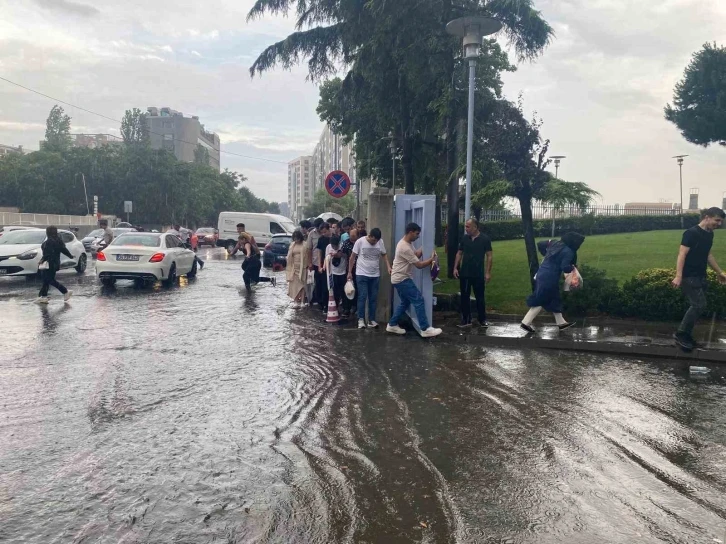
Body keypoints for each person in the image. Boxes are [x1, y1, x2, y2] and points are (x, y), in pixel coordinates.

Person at [672, 207, 726, 350]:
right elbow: (681, 254)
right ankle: (681, 335)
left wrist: (719, 272)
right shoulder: (691, 233)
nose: (719, 224)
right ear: (707, 217)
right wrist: (679, 276)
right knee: (699, 305)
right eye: (717, 220)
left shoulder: (709, 234)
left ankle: (687, 336)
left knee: (698, 306)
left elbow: (708, 255)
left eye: (721, 221)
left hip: (701, 275)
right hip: (689, 276)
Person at [520, 232, 585, 333]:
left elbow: (540, 244)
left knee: (554, 298)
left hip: (542, 273)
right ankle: (525, 322)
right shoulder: (569, 252)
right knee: (541, 299)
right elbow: (565, 267)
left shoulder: (554, 243)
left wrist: (546, 254)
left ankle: (561, 323)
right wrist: (573, 268)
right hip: (551, 276)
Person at [386, 223, 443, 338]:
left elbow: (416, 254)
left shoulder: (407, 243)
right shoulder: (404, 247)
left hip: (398, 278)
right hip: (402, 279)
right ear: (411, 232)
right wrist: (432, 259)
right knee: (418, 300)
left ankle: (392, 324)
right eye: (417, 234)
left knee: (405, 302)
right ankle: (425, 328)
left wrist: (426, 246)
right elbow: (419, 265)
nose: (418, 236)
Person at [348, 227, 391, 329]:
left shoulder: (380, 242)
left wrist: (388, 266)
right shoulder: (360, 242)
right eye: (373, 240)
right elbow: (352, 257)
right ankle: (361, 319)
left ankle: (372, 320)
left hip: (375, 275)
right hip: (361, 274)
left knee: (373, 298)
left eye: (376, 241)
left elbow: (384, 255)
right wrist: (349, 272)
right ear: (370, 236)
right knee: (362, 296)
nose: (375, 242)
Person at [453, 218, 493, 328]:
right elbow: (459, 253)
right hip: (465, 273)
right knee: (464, 296)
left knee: (480, 297)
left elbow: (489, 256)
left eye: (468, 226)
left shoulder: (485, 239)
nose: (466, 229)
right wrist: (455, 268)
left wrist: (487, 272)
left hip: (478, 273)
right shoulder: (465, 238)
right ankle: (466, 320)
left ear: (475, 227)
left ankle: (482, 319)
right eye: (465, 226)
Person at [36, 226, 73, 304]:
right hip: (55, 263)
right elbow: (64, 250)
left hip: (49, 263)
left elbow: (47, 254)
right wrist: (70, 256)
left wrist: (42, 260)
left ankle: (65, 291)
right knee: (46, 280)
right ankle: (43, 297)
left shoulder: (49, 241)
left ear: (48, 232)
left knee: (49, 280)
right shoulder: (58, 240)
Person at [324, 234, 347, 314]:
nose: (334, 247)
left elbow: (345, 256)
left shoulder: (342, 246)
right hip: (333, 272)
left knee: (343, 291)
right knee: (334, 291)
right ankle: (334, 306)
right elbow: (326, 258)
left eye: (336, 246)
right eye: (333, 246)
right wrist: (325, 267)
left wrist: (338, 254)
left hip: (342, 272)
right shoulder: (328, 247)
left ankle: (345, 308)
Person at [286, 230, 308, 309]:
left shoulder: (305, 244)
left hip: (303, 267)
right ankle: (295, 301)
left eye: (297, 238)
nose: (296, 240)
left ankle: (302, 302)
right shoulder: (292, 245)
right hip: (294, 268)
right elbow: (289, 256)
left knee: (302, 285)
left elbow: (307, 255)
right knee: (294, 285)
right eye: (294, 238)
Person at [305, 218, 324, 306]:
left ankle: (324, 300)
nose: (317, 229)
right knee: (317, 282)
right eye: (316, 227)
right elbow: (309, 249)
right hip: (315, 261)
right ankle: (318, 300)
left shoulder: (327, 231)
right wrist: (310, 263)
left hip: (326, 262)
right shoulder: (312, 234)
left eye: (318, 227)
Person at [340, 228, 359, 317]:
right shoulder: (346, 243)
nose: (352, 238)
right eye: (351, 236)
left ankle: (355, 306)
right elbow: (342, 253)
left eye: (354, 236)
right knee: (348, 288)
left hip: (360, 269)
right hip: (349, 269)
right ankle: (346, 308)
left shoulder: (360, 242)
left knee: (357, 289)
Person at [315, 223, 332, 312]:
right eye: (322, 232)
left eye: (325, 232)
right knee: (324, 286)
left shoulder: (334, 239)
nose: (323, 234)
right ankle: (324, 304)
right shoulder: (321, 239)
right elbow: (319, 253)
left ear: (329, 230)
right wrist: (319, 266)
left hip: (333, 265)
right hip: (323, 264)